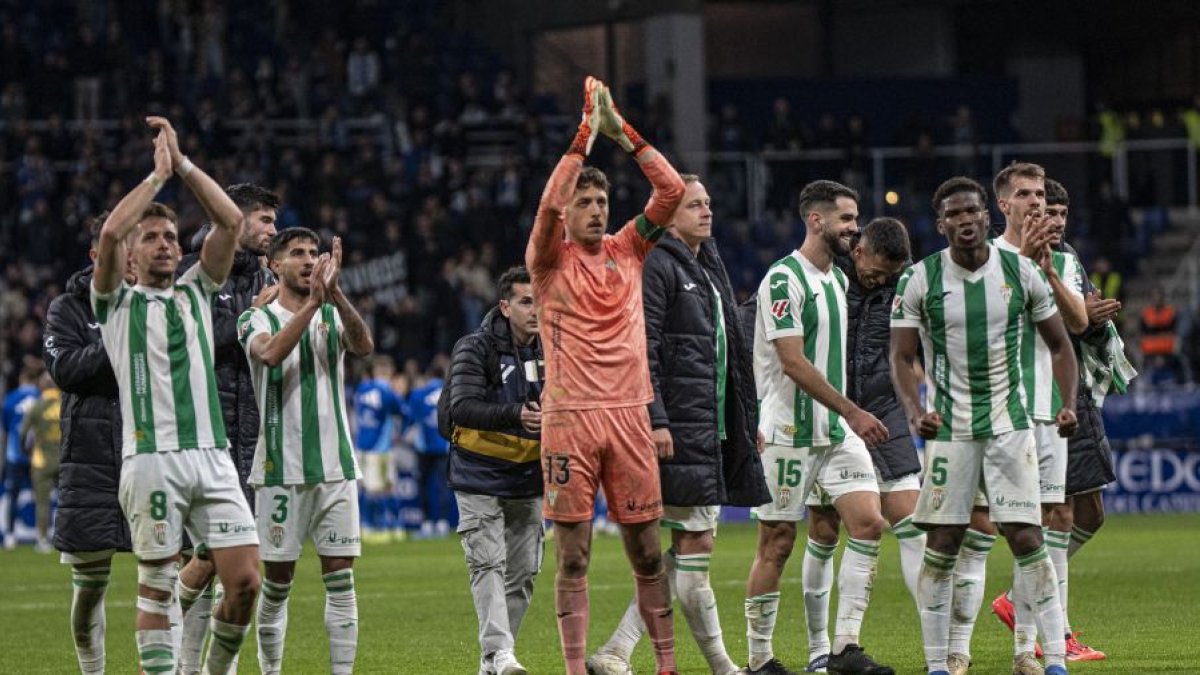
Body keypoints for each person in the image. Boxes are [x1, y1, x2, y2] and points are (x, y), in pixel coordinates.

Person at [526, 76, 685, 675]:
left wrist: (624, 135)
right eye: (585, 204)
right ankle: (573, 670)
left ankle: (666, 666)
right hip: (568, 420)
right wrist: (584, 136)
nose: (596, 211)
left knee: (647, 552)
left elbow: (669, 191)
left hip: (628, 416)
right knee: (574, 557)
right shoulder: (546, 262)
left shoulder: (629, 250)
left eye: (602, 203)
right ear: (568, 212)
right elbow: (546, 205)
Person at [91, 116, 260, 674]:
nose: (165, 245)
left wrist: (184, 166)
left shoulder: (194, 291)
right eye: (152, 239)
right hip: (151, 459)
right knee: (157, 591)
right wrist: (155, 178)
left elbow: (231, 221)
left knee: (245, 582)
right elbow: (112, 233)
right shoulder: (115, 304)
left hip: (212, 458)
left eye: (169, 237)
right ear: (132, 258)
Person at [890, 176, 1078, 675]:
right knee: (944, 544)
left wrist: (1067, 402)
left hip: (1010, 427)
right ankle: (938, 663)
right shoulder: (921, 278)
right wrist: (914, 412)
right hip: (949, 433)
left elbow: (1061, 344)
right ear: (941, 224)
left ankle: (1052, 659)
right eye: (953, 214)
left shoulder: (1020, 272)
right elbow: (900, 356)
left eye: (971, 211)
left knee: (1028, 537)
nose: (964, 221)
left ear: (985, 216)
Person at [588, 175, 769, 675]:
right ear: (667, 215)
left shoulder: (705, 265)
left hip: (705, 429)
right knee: (694, 549)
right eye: (694, 204)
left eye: (709, 202)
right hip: (677, 432)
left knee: (690, 547)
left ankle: (617, 651)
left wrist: (741, 417)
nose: (707, 211)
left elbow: (722, 358)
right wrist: (656, 418)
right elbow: (641, 348)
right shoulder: (658, 267)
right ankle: (723, 666)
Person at [941, 163, 1089, 673]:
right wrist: (1027, 261)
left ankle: (1026, 650)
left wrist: (1047, 270)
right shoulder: (982, 257)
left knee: (1041, 533)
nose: (1037, 203)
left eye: (1042, 194)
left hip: (1045, 413)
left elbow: (1078, 324)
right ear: (1003, 204)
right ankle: (958, 649)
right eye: (1025, 194)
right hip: (993, 413)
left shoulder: (1062, 263)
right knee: (980, 531)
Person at [744, 179, 893, 675]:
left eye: (855, 219)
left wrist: (845, 416)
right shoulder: (784, 279)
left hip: (834, 432)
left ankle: (844, 648)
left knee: (868, 522)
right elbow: (792, 362)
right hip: (786, 432)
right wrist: (853, 410)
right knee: (778, 543)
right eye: (847, 219)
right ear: (816, 220)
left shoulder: (838, 280)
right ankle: (760, 657)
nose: (855, 229)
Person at [991, 178, 1125, 662]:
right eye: (1047, 208)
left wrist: (1092, 315)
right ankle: (1054, 634)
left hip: (1071, 394)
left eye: (1060, 211)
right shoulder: (997, 258)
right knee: (1057, 515)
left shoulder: (1067, 260)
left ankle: (1020, 598)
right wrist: (1081, 312)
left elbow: (1081, 326)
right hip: (1027, 403)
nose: (1055, 218)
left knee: (1088, 513)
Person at [239, 229, 372, 674]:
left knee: (341, 580)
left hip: (336, 467)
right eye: (297, 253)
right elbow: (272, 355)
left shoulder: (332, 313)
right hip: (280, 469)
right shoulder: (255, 318)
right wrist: (315, 302)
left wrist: (335, 297)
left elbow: (364, 346)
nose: (308, 259)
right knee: (276, 585)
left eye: (313, 253)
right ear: (274, 265)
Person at [799, 217, 924, 673]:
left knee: (910, 519)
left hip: (883, 410)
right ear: (859, 249)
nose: (878, 280)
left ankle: (939, 648)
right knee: (826, 529)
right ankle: (820, 651)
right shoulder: (823, 272)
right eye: (874, 271)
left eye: (888, 275)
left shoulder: (906, 282)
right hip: (828, 408)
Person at [175, 182, 279, 673]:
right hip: (202, 434)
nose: (272, 231)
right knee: (206, 557)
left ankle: (198, 667)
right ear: (236, 220)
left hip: (251, 434)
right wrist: (255, 313)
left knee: (232, 564)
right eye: (265, 221)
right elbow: (193, 338)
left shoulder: (262, 276)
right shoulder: (195, 271)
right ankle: (180, 658)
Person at [42, 214, 137, 674]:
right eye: (114, 246)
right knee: (90, 587)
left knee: (169, 577)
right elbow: (67, 371)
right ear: (95, 256)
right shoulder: (68, 308)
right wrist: (123, 334)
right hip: (90, 457)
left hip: (152, 451)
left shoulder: (163, 301)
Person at [443, 265, 545, 675]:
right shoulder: (475, 347)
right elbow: (460, 408)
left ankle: (495, 659)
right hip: (479, 474)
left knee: (523, 573)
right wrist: (515, 414)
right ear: (505, 306)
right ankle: (500, 655)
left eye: (540, 300)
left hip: (529, 476)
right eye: (525, 301)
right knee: (488, 564)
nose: (535, 310)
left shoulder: (552, 348)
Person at [354, 355, 406, 540]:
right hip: (381, 447)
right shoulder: (386, 390)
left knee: (368, 488)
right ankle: (387, 527)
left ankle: (370, 526)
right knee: (385, 488)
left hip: (361, 444)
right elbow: (404, 412)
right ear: (389, 371)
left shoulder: (361, 389)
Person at [409, 363, 452, 536]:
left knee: (424, 486)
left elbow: (411, 419)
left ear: (428, 375)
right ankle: (442, 522)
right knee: (443, 485)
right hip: (444, 446)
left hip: (423, 447)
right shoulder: (450, 393)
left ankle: (426, 522)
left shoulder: (418, 394)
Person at [20, 371, 61, 553]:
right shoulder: (65, 405)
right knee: (66, 502)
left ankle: (43, 540)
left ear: (41, 386)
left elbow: (23, 434)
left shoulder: (36, 407)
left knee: (42, 503)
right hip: (64, 460)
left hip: (41, 461)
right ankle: (65, 538)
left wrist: (26, 450)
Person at [1, 362, 40, 550]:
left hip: (15, 456)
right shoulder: (41, 397)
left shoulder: (10, 398)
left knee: (12, 496)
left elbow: (6, 429)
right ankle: (43, 536)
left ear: (21, 379)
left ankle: (9, 535)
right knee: (41, 496)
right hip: (38, 456)